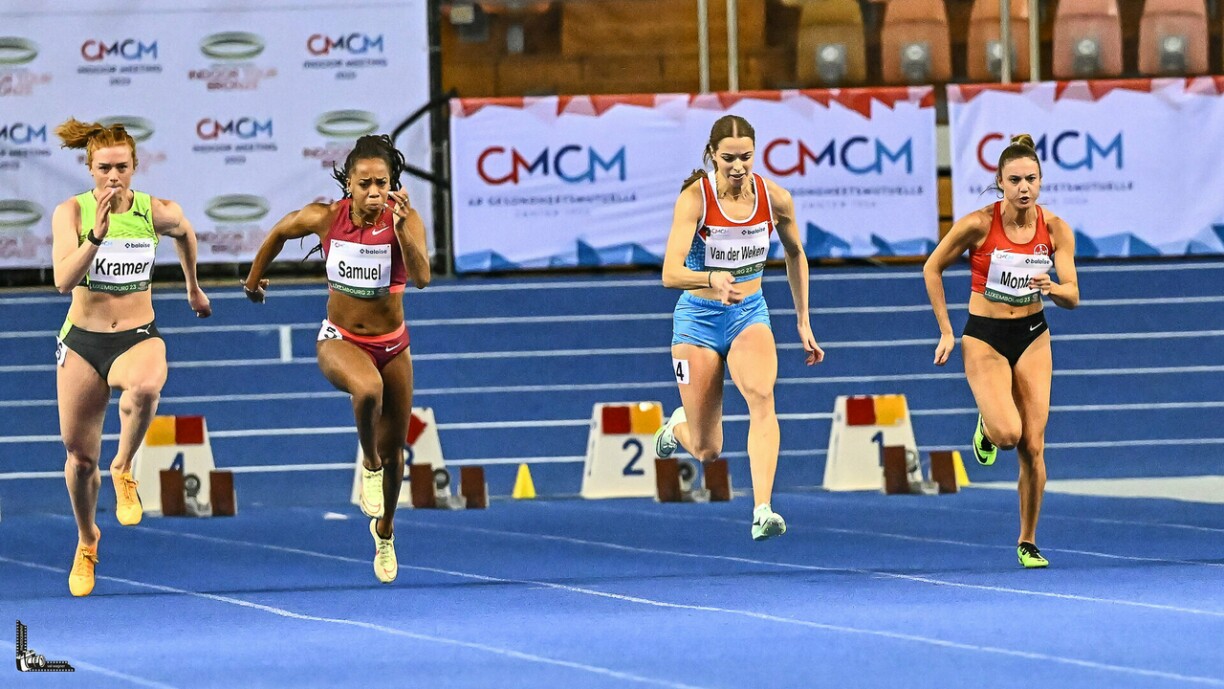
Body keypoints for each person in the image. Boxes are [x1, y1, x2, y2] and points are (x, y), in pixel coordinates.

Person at [243, 135, 430, 583]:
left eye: (381, 183)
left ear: (392, 184)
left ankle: (384, 531)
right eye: (364, 183)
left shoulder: (405, 221)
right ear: (349, 183)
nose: (373, 192)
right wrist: (253, 279)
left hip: (393, 345)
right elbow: (279, 231)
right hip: (339, 339)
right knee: (367, 389)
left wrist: (403, 230)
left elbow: (422, 278)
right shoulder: (326, 217)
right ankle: (368, 461)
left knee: (397, 454)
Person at [50, 118, 212, 597]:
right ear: (90, 168)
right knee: (79, 459)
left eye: (122, 167)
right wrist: (96, 236)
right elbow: (62, 281)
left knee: (145, 386)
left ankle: (123, 467)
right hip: (83, 341)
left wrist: (192, 286)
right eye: (104, 168)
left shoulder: (153, 211)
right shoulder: (72, 214)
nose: (113, 177)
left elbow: (185, 232)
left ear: (135, 167)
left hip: (137, 335)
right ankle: (87, 540)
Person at [653, 114, 824, 541]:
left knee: (762, 396)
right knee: (709, 449)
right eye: (728, 158)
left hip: (749, 314)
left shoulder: (775, 198)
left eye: (746, 157)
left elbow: (796, 254)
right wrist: (711, 278)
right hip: (697, 320)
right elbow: (670, 274)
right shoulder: (696, 199)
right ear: (712, 155)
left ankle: (762, 508)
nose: (737, 167)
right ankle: (676, 427)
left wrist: (802, 319)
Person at [923, 133, 1080, 568]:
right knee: (1008, 435)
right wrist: (946, 330)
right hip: (985, 336)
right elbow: (932, 268)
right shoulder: (977, 224)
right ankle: (988, 427)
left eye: (1031, 178)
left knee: (1033, 445)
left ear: (1041, 181)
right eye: (1015, 180)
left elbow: (1073, 296)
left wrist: (1054, 287)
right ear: (1000, 181)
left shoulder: (1055, 229)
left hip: (1032, 334)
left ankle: (1027, 540)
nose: (1024, 188)